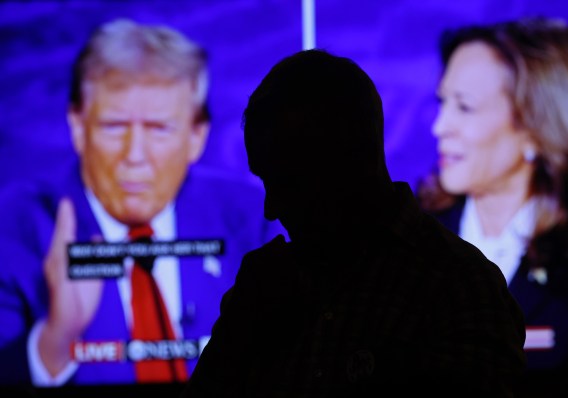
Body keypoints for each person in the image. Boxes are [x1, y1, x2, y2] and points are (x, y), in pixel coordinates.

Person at [180, 48, 526, 398]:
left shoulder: (459, 286)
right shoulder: (264, 285)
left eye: (285, 181)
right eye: (265, 181)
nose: (270, 209)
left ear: (353, 158)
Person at [0, 18, 283, 387]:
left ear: (197, 136)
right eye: (114, 126)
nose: (135, 156)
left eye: (158, 128)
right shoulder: (15, 227)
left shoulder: (251, 219)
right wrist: (56, 340)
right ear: (77, 126)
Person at [416, 16, 568, 397]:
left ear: (536, 126)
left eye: (465, 107)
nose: (440, 127)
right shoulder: (411, 240)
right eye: (443, 102)